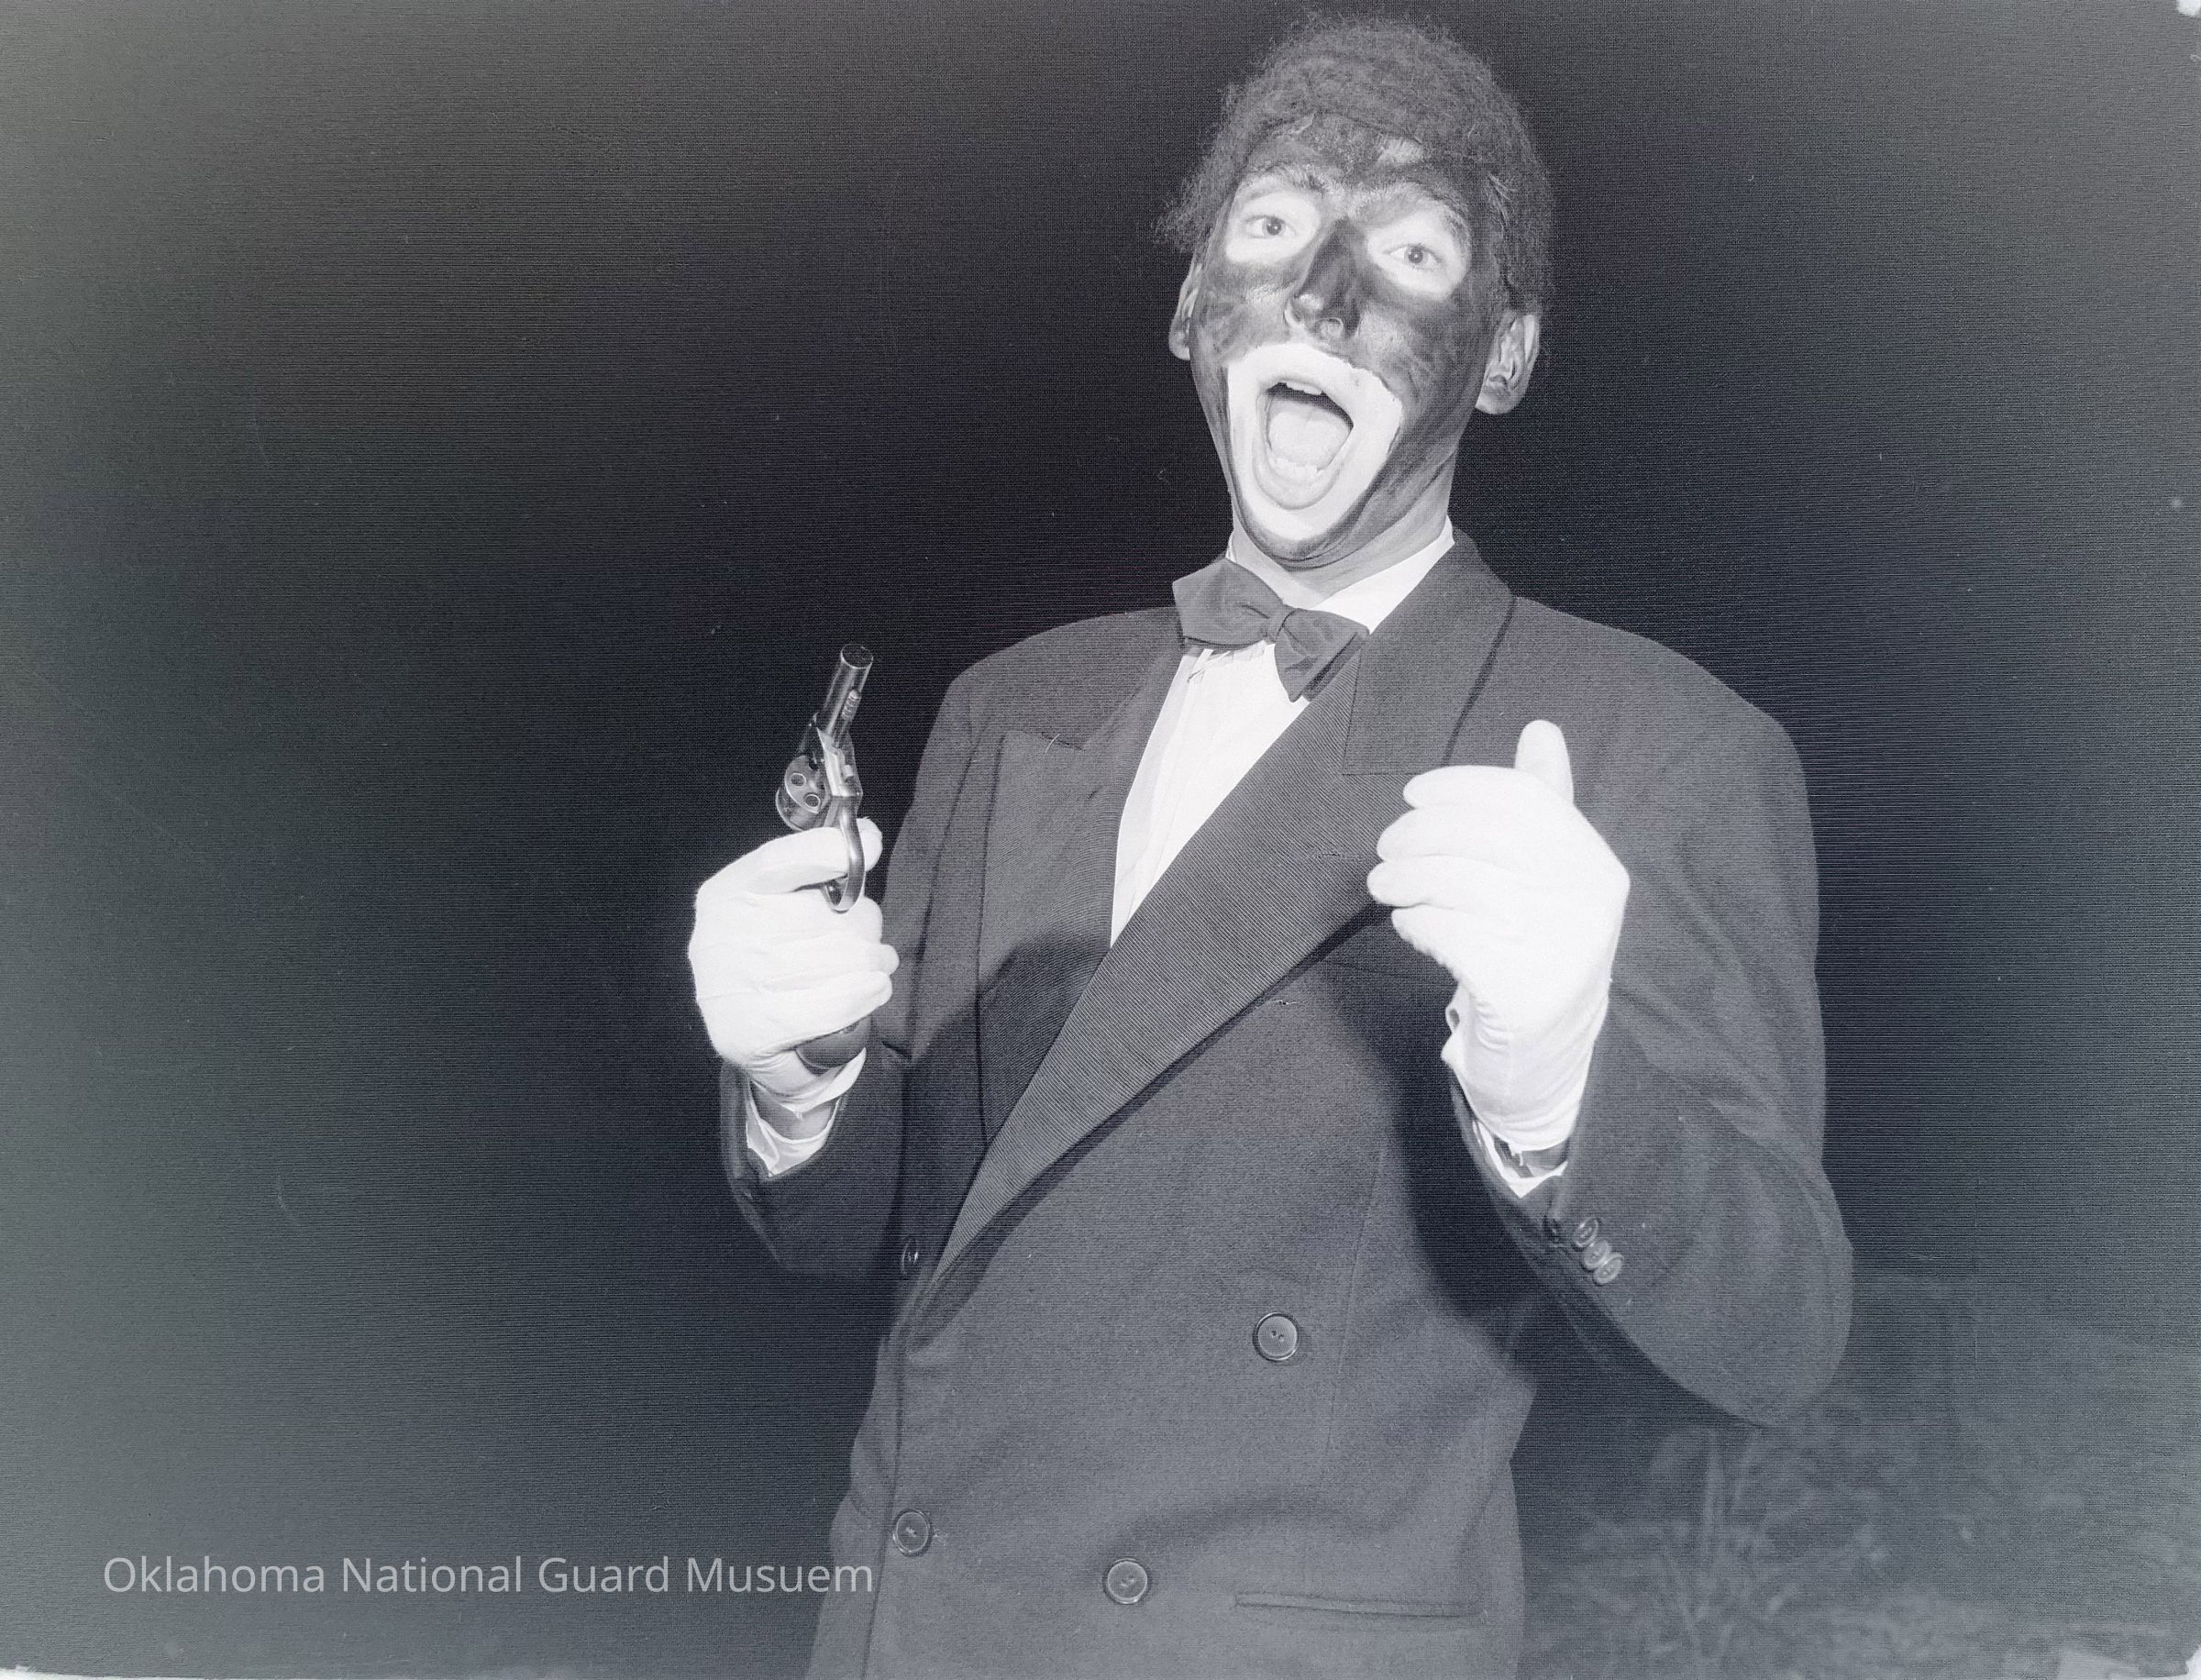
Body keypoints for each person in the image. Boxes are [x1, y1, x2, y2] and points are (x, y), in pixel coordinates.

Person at [688, 17, 1851, 1678]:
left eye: (1415, 253)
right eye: (1275, 224)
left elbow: (1778, 1336)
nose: (1323, 298)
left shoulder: (1655, 748)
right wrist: (797, 1084)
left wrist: (1559, 1091)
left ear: (1502, 356)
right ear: (1194, 308)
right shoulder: (1013, 706)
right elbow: (869, 1237)